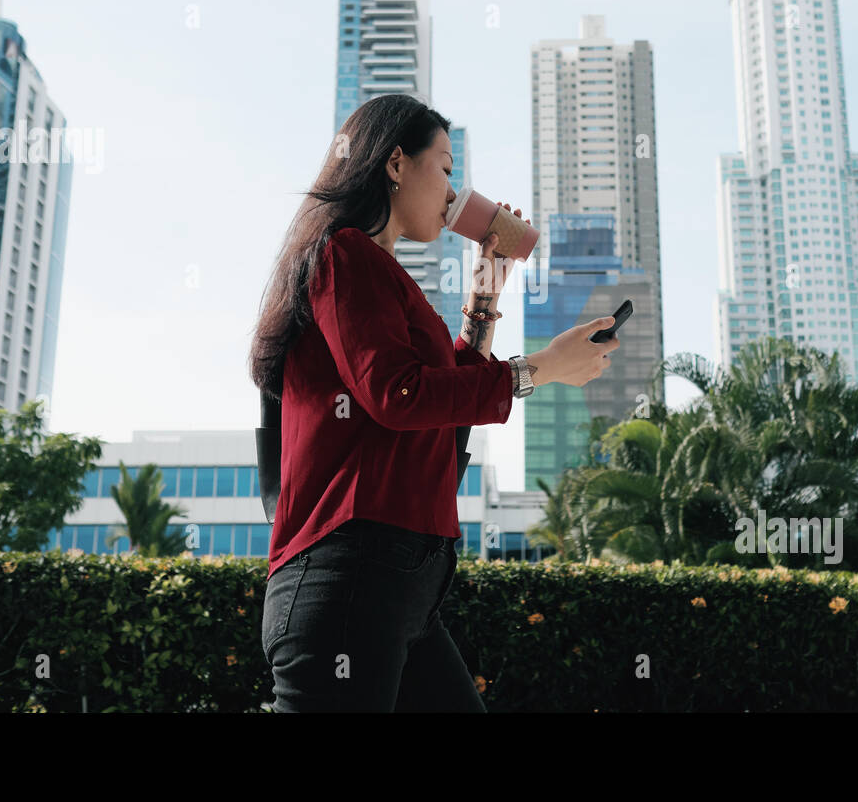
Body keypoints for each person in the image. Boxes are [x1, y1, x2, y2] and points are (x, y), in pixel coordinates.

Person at [249, 93, 619, 712]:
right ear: (395, 164)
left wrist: (485, 293)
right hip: (350, 580)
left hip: (399, 591)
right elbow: (398, 395)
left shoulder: (384, 278)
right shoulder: (346, 255)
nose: (453, 192)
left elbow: (441, 406)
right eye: (445, 167)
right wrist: (544, 368)